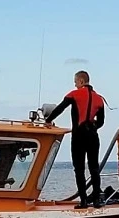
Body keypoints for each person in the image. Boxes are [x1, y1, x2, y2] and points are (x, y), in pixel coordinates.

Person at [44, 70, 106, 208]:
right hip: (93, 136)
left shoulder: (74, 94)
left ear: (81, 81)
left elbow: (60, 108)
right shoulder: (99, 99)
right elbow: (101, 122)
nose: (75, 84)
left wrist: (48, 120)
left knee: (79, 169)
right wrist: (92, 125)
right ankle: (96, 200)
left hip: (79, 136)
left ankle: (83, 201)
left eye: (75, 81)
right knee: (94, 168)